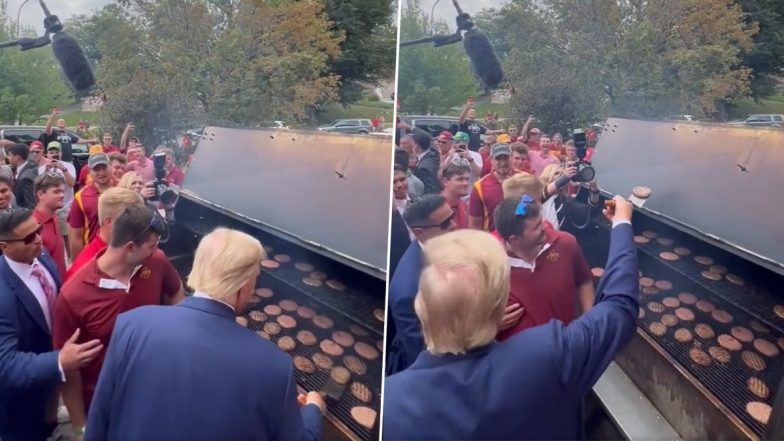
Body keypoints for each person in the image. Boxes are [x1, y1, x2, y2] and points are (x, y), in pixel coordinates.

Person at [382, 197, 638, 440]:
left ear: (425, 310)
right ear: (495, 306)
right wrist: (622, 223)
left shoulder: (389, 402)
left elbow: (529, 202)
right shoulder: (548, 354)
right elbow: (619, 307)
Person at [85, 228, 325, 441]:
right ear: (241, 288)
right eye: (254, 279)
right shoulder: (275, 368)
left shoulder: (131, 325)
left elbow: (99, 419)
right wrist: (313, 410)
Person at [55, 204, 185, 437]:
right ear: (129, 247)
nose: (155, 250)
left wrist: (179, 330)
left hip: (152, 388)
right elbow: (68, 372)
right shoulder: (73, 296)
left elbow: (175, 290)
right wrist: (79, 427)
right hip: (104, 402)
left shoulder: (155, 261)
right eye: (151, 245)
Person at [0, 209, 103, 441]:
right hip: (21, 404)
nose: (38, 239)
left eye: (38, 230)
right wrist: (58, 361)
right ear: (4, 247)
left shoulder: (42, 256)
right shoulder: (3, 294)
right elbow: (4, 364)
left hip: (52, 386)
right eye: (28, 238)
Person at [493, 195, 595, 341]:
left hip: (569, 347)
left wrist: (588, 320)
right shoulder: (491, 269)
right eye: (536, 227)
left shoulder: (566, 243)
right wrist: (490, 327)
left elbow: (584, 281)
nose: (544, 227)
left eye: (541, 221)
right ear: (514, 239)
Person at [386, 194, 456, 375]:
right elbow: (420, 355)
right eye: (445, 224)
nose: (454, 225)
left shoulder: (443, 245)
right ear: (419, 233)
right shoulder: (407, 290)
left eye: (452, 216)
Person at [64, 187, 145, 281]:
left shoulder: (143, 249)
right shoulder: (82, 269)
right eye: (132, 219)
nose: (139, 225)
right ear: (109, 222)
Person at [68, 153, 114, 259]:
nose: (101, 173)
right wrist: (79, 265)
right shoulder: (80, 197)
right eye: (96, 169)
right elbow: (75, 236)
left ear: (110, 166)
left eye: (104, 168)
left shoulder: (122, 189)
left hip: (120, 255)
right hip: (94, 257)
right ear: (89, 171)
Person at [40, 142, 77, 257]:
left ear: (61, 153)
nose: (54, 155)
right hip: (49, 208)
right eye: (51, 153)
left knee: (67, 236)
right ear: (47, 154)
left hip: (65, 206)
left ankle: (70, 260)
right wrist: (47, 169)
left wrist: (63, 169)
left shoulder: (69, 166)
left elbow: (71, 184)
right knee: (51, 236)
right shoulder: (42, 168)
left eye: (57, 152)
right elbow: (40, 186)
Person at [468, 143, 515, 232]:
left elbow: (531, 206)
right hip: (492, 242)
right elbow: (475, 225)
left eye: (506, 158)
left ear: (512, 158)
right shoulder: (480, 186)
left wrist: (519, 210)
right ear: (491, 160)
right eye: (498, 159)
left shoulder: (524, 180)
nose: (503, 163)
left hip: (520, 241)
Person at [32, 174, 67, 278]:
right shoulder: (33, 226)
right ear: (40, 194)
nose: (62, 195)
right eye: (56, 191)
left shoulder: (53, 215)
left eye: (62, 191)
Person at [439, 132, 482, 200]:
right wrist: (450, 157)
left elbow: (479, 173)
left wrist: (470, 159)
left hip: (470, 195)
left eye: (458, 142)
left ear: (465, 143)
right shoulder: (452, 155)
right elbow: (442, 174)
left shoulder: (475, 155)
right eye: (455, 142)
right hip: (455, 196)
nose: (455, 144)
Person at [440, 162, 471, 229]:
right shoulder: (436, 209)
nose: (466, 183)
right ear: (445, 181)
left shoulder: (464, 206)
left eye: (467, 179)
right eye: (460, 179)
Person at [7, 143, 38, 209]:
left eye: (9, 155)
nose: (8, 158)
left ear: (17, 157)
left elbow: (31, 205)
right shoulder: (32, 166)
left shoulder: (25, 179)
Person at [410, 130, 440, 194]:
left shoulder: (424, 168)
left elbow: (429, 191)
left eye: (412, 144)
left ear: (416, 146)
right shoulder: (432, 156)